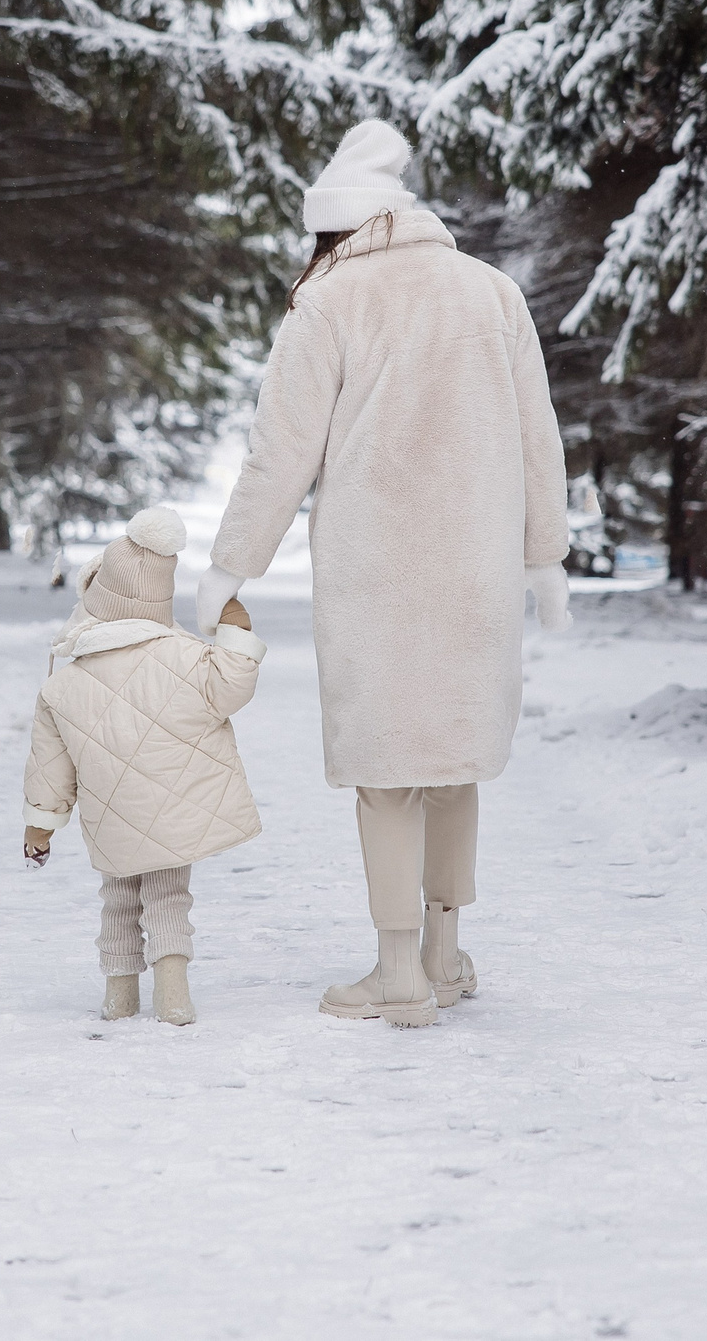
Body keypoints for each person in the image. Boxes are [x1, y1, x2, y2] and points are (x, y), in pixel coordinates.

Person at [197, 120, 568, 1029]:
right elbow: (537, 437)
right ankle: (444, 955)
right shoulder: (492, 292)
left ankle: (397, 972)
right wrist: (545, 554)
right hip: (475, 569)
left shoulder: (329, 301)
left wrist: (229, 564)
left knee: (387, 769)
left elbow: (279, 456)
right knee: (452, 760)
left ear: (337, 225)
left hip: (378, 573)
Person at [22, 506, 268, 1025]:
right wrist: (235, 624)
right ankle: (173, 994)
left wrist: (39, 828)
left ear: (97, 599)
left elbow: (50, 767)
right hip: (173, 814)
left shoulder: (64, 683)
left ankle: (120, 995)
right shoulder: (186, 659)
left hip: (111, 819)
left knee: (118, 899)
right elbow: (232, 684)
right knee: (168, 896)